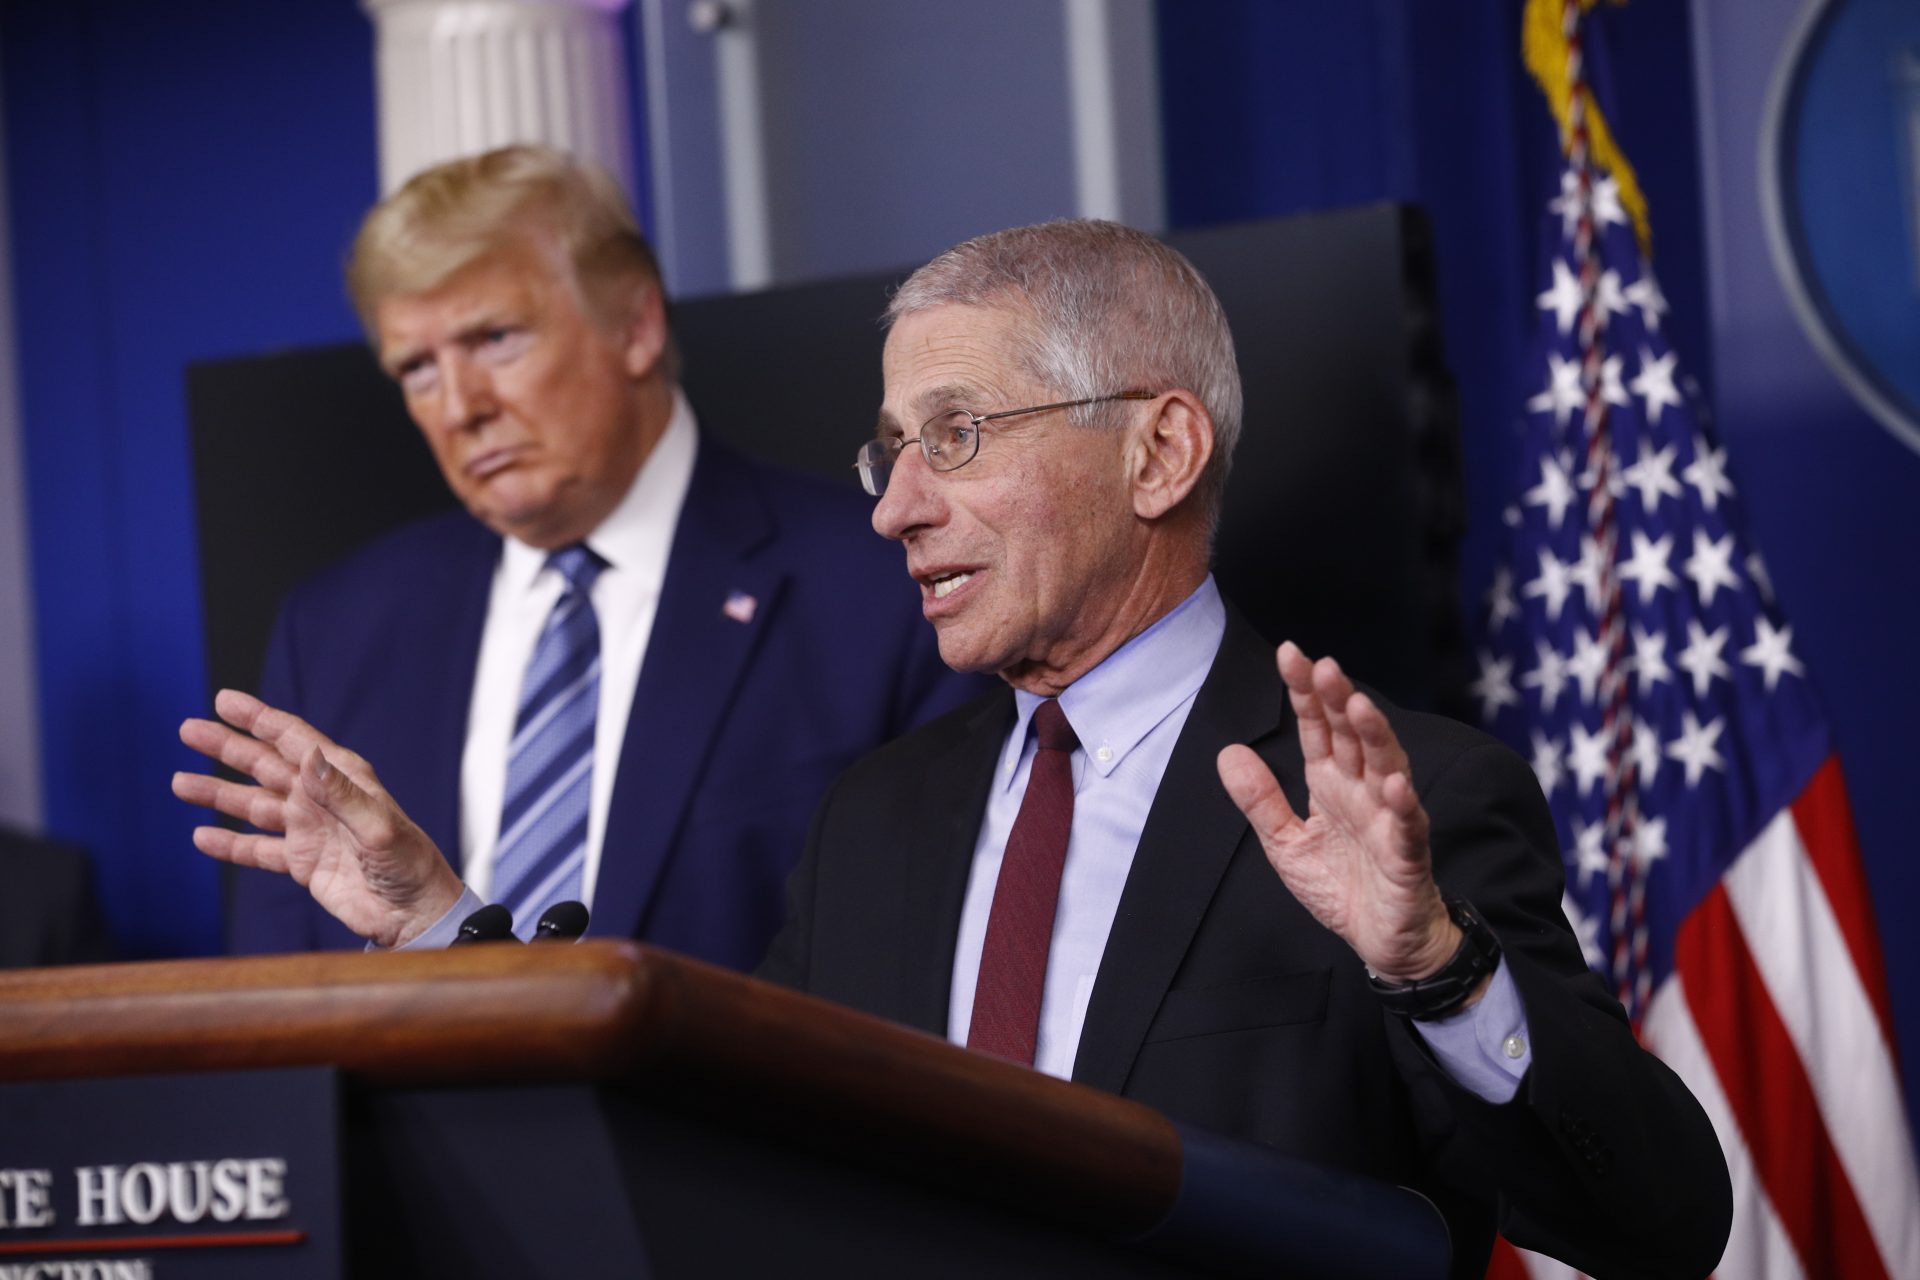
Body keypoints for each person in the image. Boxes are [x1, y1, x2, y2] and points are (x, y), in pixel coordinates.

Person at [176, 220, 1731, 1277]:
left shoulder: (1398, 798)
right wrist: (446, 923)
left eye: (957, 437)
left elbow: (1659, 1222)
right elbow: (698, 1144)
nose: (893, 508)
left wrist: (1433, 967)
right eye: (889, 451)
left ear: (1159, 449)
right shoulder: (885, 817)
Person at [222, 145, 982, 963]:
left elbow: (916, 967)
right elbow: (278, 994)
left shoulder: (879, 587)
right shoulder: (339, 628)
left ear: (636, 327)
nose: (460, 407)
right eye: (417, 368)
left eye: (496, 338)